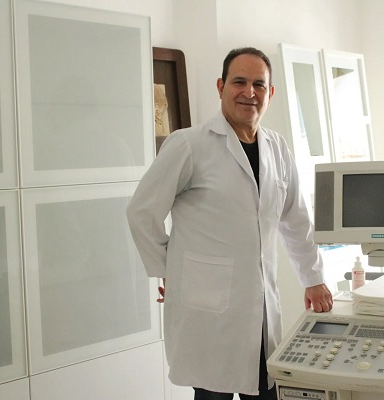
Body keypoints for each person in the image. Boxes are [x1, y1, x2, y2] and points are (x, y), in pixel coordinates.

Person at [126, 47, 333, 400]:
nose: (249, 92)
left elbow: (296, 219)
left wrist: (313, 278)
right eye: (239, 82)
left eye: (258, 84)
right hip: (209, 315)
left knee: (268, 389)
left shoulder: (278, 148)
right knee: (213, 393)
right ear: (221, 86)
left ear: (270, 93)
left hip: (261, 310)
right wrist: (168, 270)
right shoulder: (189, 145)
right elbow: (142, 211)